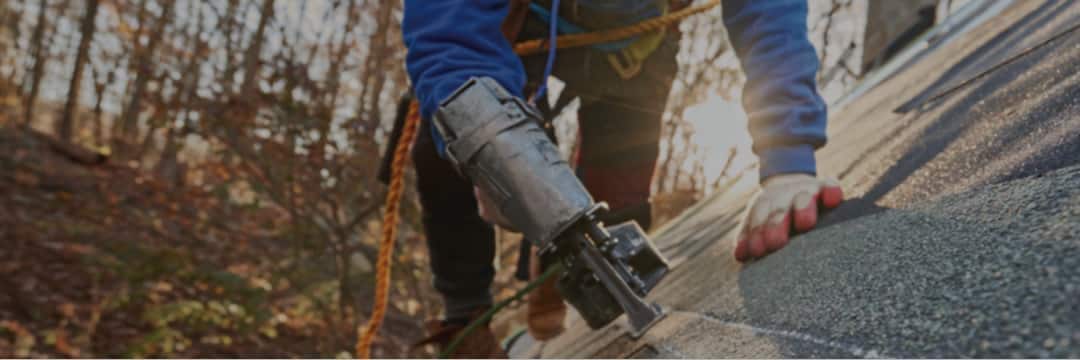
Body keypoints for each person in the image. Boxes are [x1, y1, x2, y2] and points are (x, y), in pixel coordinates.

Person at [401, 0, 844, 356]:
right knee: (451, 127)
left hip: (637, 35)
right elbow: (449, 34)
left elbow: (768, 11)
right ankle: (467, 319)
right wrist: (485, 147)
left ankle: (560, 272)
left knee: (620, 194)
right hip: (524, 19)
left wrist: (787, 157)